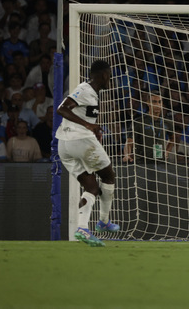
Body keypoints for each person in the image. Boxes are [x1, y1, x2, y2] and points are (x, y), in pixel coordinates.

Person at [56, 60, 119, 247]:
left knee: (91, 188)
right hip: (79, 140)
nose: (111, 78)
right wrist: (88, 125)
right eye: (110, 74)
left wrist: (92, 127)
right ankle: (104, 221)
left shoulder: (92, 94)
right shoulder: (84, 89)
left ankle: (82, 228)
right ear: (104, 74)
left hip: (65, 146)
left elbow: (82, 115)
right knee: (108, 176)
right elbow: (62, 108)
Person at [123, 91, 173, 163]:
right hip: (142, 163)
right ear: (148, 103)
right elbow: (129, 141)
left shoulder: (168, 123)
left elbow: (172, 139)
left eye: (159, 102)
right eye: (154, 102)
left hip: (160, 162)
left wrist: (167, 152)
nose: (157, 105)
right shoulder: (139, 122)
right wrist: (127, 154)